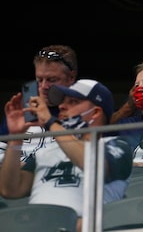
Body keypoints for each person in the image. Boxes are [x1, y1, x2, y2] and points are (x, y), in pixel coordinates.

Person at [0, 79, 132, 231]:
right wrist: (16, 137)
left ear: (95, 112)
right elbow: (10, 190)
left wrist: (50, 122)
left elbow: (92, 165)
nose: (62, 106)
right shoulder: (46, 151)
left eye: (73, 102)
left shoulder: (116, 145)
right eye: (63, 101)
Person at [0, 45, 79, 164]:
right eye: (39, 79)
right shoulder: (21, 109)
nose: (43, 87)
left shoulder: (85, 112)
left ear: (71, 77)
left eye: (52, 80)